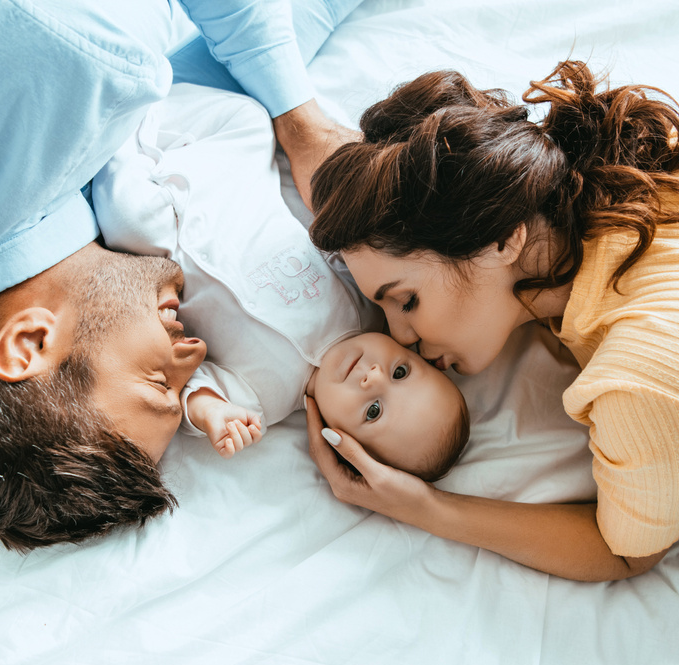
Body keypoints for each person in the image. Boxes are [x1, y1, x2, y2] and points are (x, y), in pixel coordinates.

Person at [0, 0, 362, 550]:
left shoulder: (66, 63)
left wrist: (303, 124)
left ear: (29, 342)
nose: (196, 352)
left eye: (157, 382)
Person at [303, 61, 679, 591]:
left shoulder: (645, 373)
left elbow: (626, 552)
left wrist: (422, 506)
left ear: (502, 239)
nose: (399, 336)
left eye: (407, 300)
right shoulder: (667, 160)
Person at [92, 86, 469, 479]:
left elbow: (192, 381)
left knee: (127, 221)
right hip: (234, 184)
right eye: (401, 372)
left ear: (338, 439)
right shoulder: (368, 304)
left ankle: (112, 124)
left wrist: (213, 413)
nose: (372, 376)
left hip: (166, 240)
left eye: (373, 410)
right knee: (250, 117)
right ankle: (146, 99)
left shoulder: (262, 401)